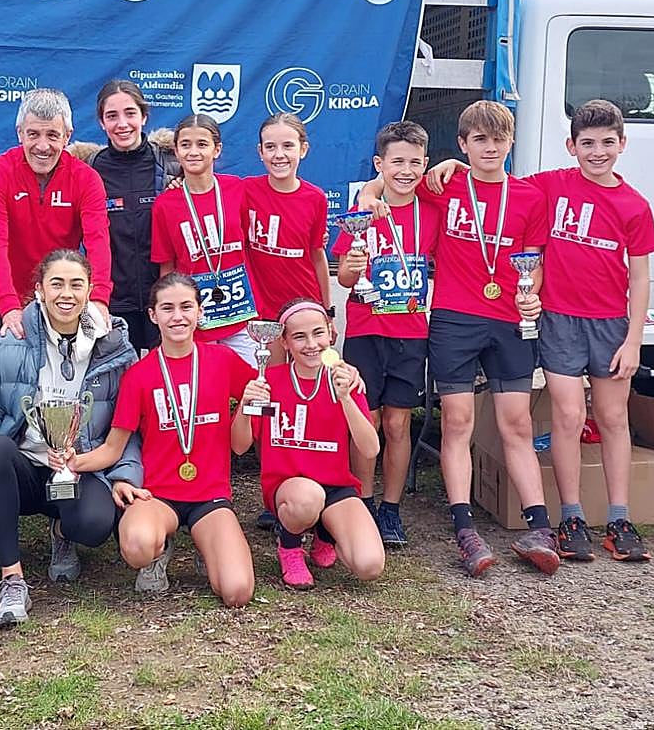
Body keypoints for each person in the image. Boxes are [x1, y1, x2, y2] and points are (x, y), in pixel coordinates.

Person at [426, 99, 654, 562]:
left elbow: (631, 275)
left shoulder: (609, 202)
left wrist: (633, 339)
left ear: (622, 144)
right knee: (550, 417)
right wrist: (448, 166)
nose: (597, 152)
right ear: (571, 146)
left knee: (600, 418)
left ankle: (599, 520)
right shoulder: (536, 184)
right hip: (522, 319)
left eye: (607, 143)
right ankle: (544, 520)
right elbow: (399, 181)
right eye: (587, 143)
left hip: (574, 322)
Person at [358, 100, 559, 577]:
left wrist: (532, 296)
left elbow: (534, 260)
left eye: (499, 139)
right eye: (479, 140)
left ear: (511, 142)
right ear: (463, 144)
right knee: (457, 421)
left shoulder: (529, 196)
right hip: (454, 319)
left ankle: (540, 528)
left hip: (508, 320)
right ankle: (465, 530)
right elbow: (388, 182)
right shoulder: (443, 186)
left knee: (517, 424)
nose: (490, 148)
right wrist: (367, 194)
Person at [0, 249, 140, 627]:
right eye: (57, 284)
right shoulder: (7, 342)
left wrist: (125, 476)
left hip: (82, 466)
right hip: (25, 466)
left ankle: (62, 531)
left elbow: (128, 421)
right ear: (39, 290)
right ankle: (12, 579)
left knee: (94, 526)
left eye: (76, 284)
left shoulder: (115, 347)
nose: (66, 293)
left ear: (89, 291)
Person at [75, 273, 257, 607]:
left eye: (186, 307)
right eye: (167, 308)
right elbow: (113, 448)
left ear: (200, 312)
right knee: (137, 547)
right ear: (153, 315)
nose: (178, 316)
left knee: (237, 592)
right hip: (157, 496)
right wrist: (71, 462)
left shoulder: (224, 361)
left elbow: (242, 443)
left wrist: (336, 375)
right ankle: (159, 550)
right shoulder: (138, 375)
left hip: (210, 496)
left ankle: (207, 545)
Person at [333, 122, 441, 547]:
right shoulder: (361, 213)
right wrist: (352, 267)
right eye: (397, 162)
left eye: (414, 162)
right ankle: (361, 501)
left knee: (398, 423)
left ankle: (391, 510)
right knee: (368, 419)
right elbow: (344, 278)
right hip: (366, 330)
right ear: (379, 164)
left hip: (410, 333)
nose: (406, 171)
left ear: (425, 164)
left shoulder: (430, 212)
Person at [232, 300, 384, 587]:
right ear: (285, 342)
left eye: (318, 333)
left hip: (336, 487)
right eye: (299, 337)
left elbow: (370, 449)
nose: (311, 344)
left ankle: (324, 534)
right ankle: (289, 545)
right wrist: (244, 405)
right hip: (291, 489)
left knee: (369, 565)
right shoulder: (270, 381)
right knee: (307, 499)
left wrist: (346, 399)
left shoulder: (344, 380)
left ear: (330, 333)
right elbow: (239, 446)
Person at [0, 88, 114, 342]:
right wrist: (9, 306)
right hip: (9, 301)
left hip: (65, 302)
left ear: (67, 136)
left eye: (52, 135)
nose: (43, 146)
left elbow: (98, 242)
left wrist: (98, 299)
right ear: (20, 133)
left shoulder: (86, 179)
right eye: (33, 134)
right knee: (4, 366)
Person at [74, 79, 181, 351]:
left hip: (165, 302)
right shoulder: (88, 169)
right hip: (112, 302)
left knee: (167, 376)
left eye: (130, 113)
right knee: (119, 377)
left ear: (144, 117)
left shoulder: (173, 164)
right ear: (101, 122)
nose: (122, 124)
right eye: (112, 116)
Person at [151, 115, 258, 367]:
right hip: (195, 319)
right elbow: (167, 267)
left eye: (202, 144)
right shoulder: (165, 204)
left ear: (216, 149)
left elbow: (250, 246)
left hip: (240, 314)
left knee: (251, 383)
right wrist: (169, 314)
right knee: (204, 384)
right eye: (185, 145)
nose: (193, 152)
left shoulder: (237, 189)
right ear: (176, 151)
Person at [241, 113, 332, 364]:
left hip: (304, 306)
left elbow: (317, 255)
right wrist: (177, 182)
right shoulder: (245, 190)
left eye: (288, 146)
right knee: (271, 377)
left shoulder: (315, 198)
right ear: (260, 151)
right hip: (263, 310)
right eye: (270, 147)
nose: (279, 155)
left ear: (303, 149)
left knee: (308, 376)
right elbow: (205, 188)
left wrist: (326, 311)